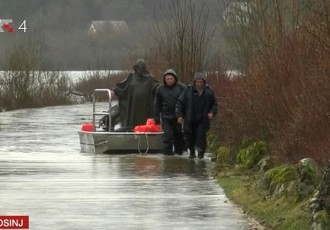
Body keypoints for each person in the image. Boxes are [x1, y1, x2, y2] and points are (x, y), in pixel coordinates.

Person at [176, 72, 218, 159]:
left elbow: (214, 104)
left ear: (204, 82)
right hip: (189, 119)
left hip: (203, 119)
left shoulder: (208, 91)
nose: (198, 84)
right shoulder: (188, 90)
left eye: (200, 82)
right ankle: (192, 153)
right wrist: (179, 115)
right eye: (197, 82)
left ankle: (201, 155)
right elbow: (180, 103)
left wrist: (212, 112)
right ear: (194, 82)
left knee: (201, 138)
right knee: (189, 137)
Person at [111, 59, 160, 130]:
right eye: (137, 67)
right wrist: (115, 90)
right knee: (132, 120)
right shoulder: (131, 77)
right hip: (133, 105)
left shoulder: (150, 78)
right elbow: (123, 86)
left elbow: (156, 86)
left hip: (145, 105)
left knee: (146, 118)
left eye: (140, 67)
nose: (139, 69)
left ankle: (145, 129)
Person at [154, 69, 185, 155]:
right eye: (167, 79)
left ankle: (179, 154)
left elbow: (186, 102)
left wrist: (185, 115)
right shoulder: (160, 89)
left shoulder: (182, 87)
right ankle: (168, 156)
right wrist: (156, 118)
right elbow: (157, 104)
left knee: (179, 136)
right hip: (166, 117)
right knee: (167, 137)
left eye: (171, 78)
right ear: (165, 79)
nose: (169, 80)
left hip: (178, 116)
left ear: (175, 78)